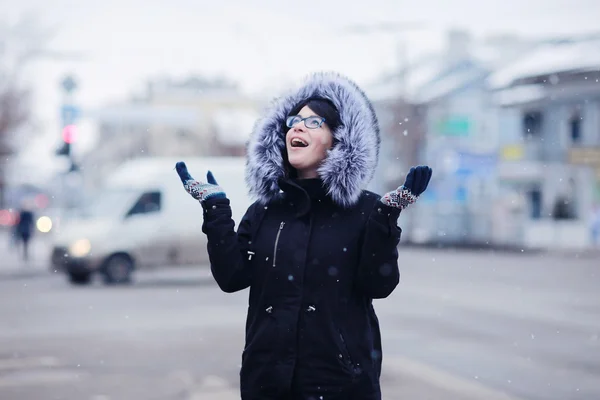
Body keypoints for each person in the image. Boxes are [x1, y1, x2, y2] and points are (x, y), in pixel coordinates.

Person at [176, 72, 432, 400]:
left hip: (340, 383)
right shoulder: (266, 210)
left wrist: (386, 217)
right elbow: (232, 277)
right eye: (294, 121)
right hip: (267, 382)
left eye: (313, 123)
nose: (296, 127)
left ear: (339, 140)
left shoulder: (365, 209)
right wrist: (216, 210)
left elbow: (378, 285)